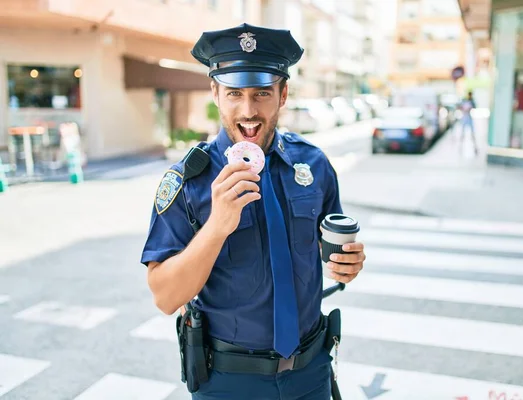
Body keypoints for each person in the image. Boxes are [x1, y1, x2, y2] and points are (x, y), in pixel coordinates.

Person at [140, 23, 366, 399]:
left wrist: (349, 264)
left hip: (311, 372)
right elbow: (164, 297)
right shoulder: (187, 181)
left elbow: (331, 250)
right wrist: (217, 227)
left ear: (283, 94)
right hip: (229, 381)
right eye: (234, 93)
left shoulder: (313, 165)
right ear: (215, 93)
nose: (248, 110)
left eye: (262, 93)